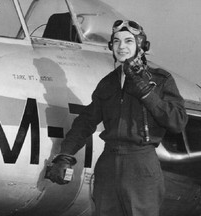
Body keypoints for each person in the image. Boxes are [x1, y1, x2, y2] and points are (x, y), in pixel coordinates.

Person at [48, 20, 188, 216]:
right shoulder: (107, 83)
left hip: (141, 164)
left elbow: (177, 122)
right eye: (116, 41)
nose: (122, 47)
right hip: (108, 165)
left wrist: (146, 92)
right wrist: (65, 155)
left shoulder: (160, 80)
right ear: (111, 46)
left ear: (141, 46)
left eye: (129, 41)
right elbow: (86, 122)